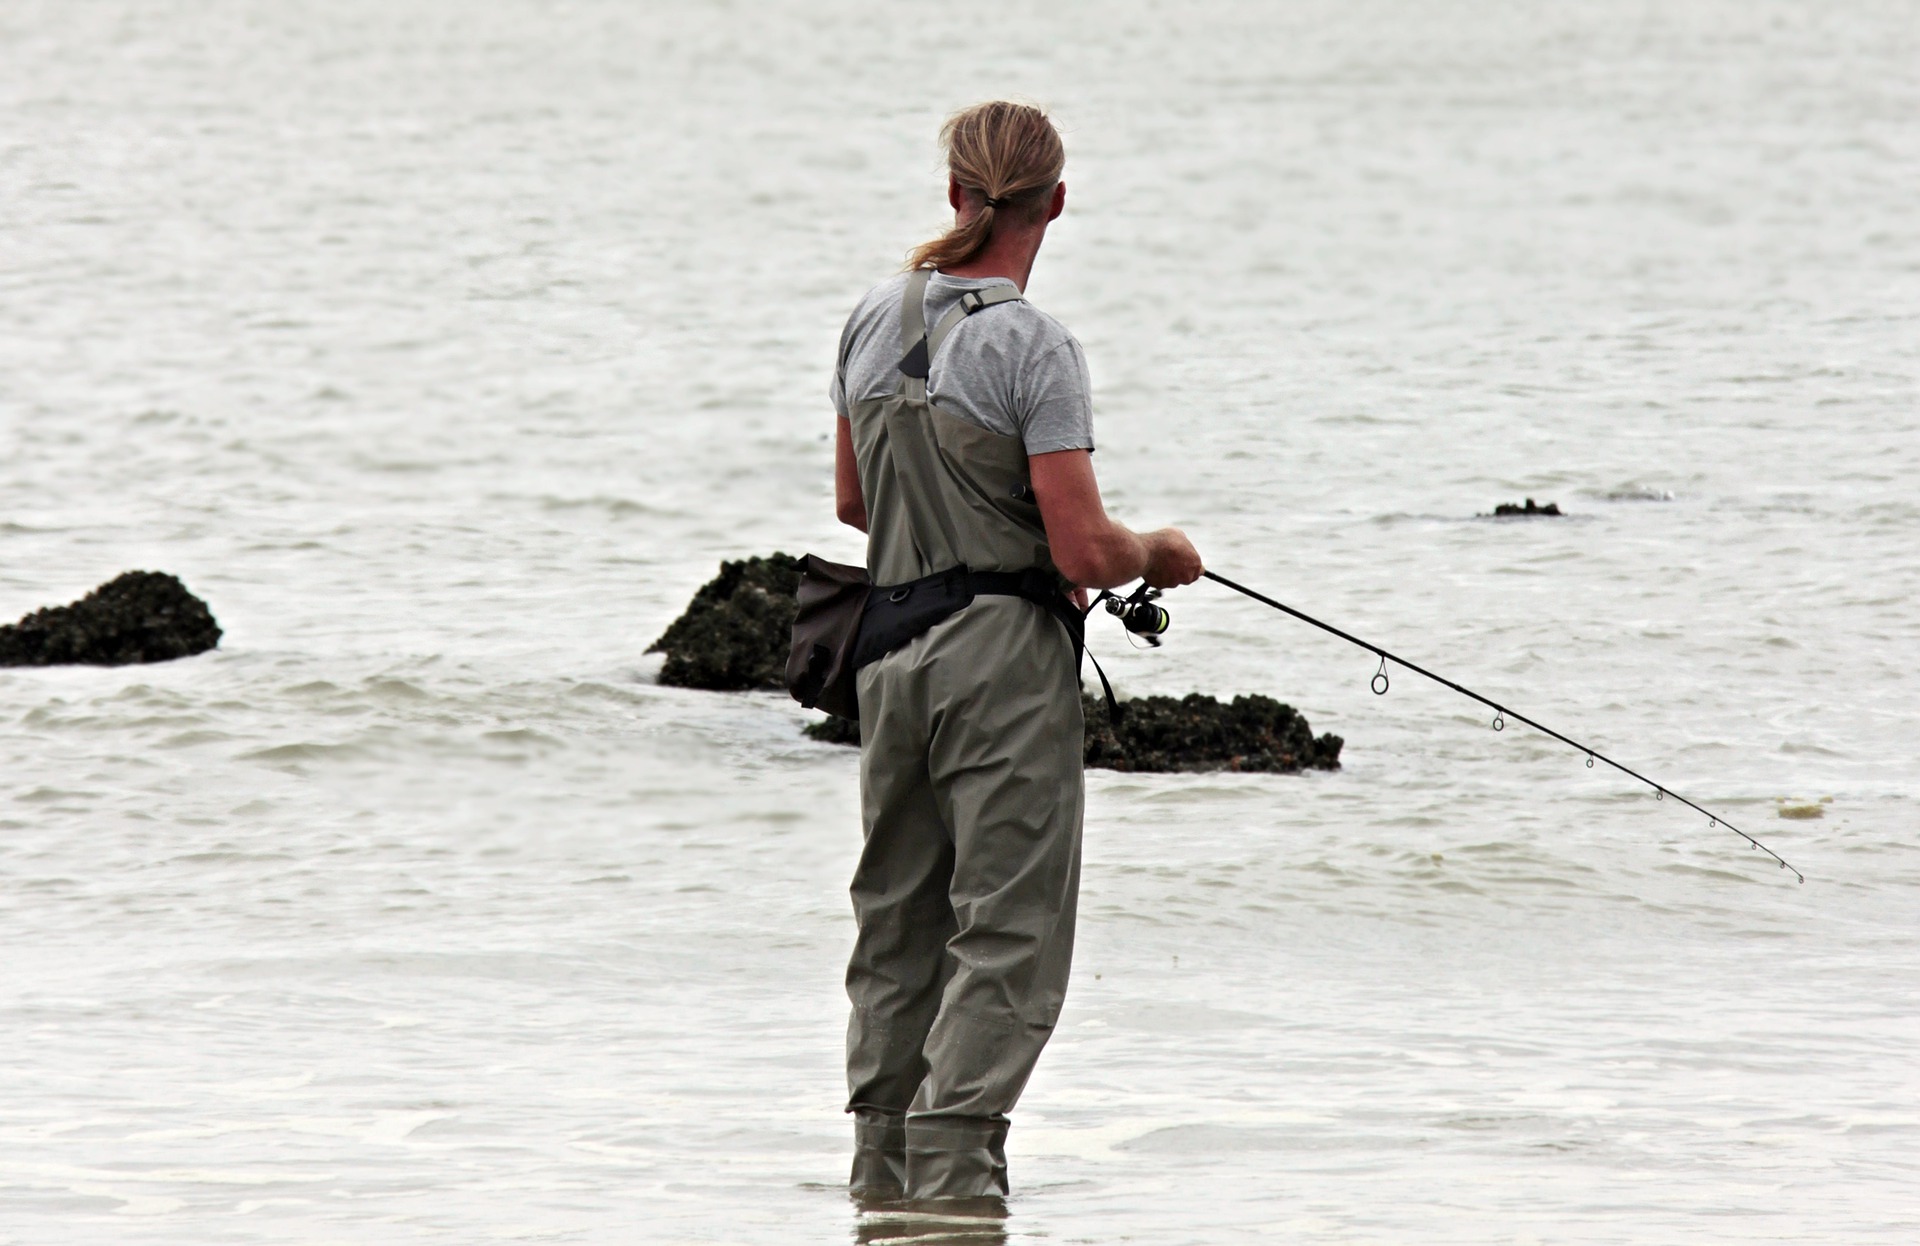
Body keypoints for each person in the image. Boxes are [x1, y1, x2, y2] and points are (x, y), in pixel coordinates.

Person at [829, 101, 1203, 1205]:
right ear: (1057, 202)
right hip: (1000, 662)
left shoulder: (866, 318)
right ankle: (954, 1183)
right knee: (1008, 930)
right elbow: (1087, 543)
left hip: (887, 654)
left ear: (955, 193)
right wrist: (1162, 553)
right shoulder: (1033, 344)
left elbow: (857, 504)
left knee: (897, 922)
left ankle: (881, 1184)